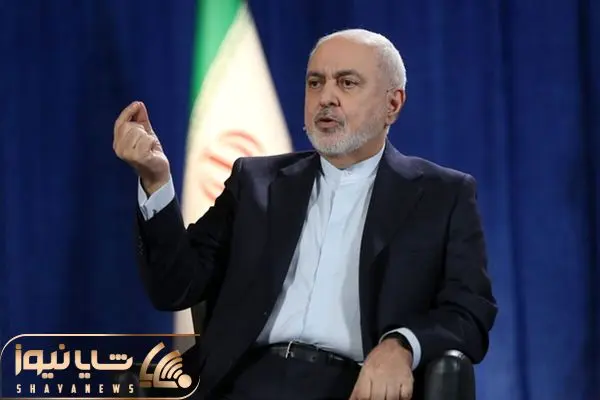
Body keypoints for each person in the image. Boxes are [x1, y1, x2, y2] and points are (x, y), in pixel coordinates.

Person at [113, 28, 497, 400]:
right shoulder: (257, 182)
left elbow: (469, 312)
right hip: (239, 379)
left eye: (347, 83)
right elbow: (176, 286)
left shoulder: (441, 195)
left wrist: (402, 345)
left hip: (352, 384)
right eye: (315, 83)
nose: (325, 97)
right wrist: (156, 181)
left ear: (392, 105)